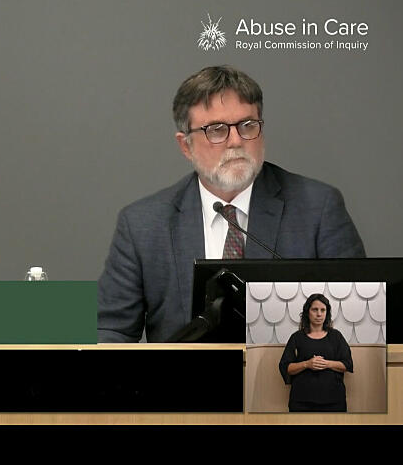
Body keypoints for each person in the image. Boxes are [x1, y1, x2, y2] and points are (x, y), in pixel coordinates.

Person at [98, 65, 365, 342]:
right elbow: (109, 330)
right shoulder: (143, 224)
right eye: (216, 130)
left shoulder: (318, 209)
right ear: (186, 146)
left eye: (247, 125)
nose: (236, 141)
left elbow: (360, 322)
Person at [278, 294, 353, 412]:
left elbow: (347, 364)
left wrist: (327, 363)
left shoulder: (336, 336)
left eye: (323, 310)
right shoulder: (297, 337)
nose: (319, 314)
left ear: (327, 313)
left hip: (333, 400)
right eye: (315, 310)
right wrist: (307, 364)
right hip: (301, 401)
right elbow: (286, 367)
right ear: (307, 312)